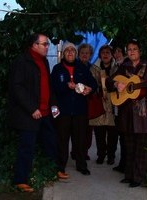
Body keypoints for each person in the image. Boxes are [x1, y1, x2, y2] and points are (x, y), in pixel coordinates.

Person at [8, 33, 62, 193]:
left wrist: (53, 105)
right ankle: (20, 180)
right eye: (44, 44)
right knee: (27, 147)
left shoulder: (44, 61)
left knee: (51, 142)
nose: (47, 47)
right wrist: (32, 108)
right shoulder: (22, 62)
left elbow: (47, 86)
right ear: (34, 45)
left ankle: (54, 171)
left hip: (45, 112)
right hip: (29, 114)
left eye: (47, 44)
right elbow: (17, 88)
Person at [105, 39, 147, 187]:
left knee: (141, 148)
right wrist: (117, 84)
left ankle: (138, 178)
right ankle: (128, 175)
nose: (131, 51)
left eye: (134, 49)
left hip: (143, 114)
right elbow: (109, 81)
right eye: (129, 49)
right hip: (127, 113)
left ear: (140, 51)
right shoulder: (124, 66)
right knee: (128, 145)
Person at [51, 42, 97, 176]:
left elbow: (93, 83)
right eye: (67, 50)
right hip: (63, 111)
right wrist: (66, 86)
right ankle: (60, 166)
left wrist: (90, 89)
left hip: (79, 111)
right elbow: (53, 89)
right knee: (62, 140)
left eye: (72, 50)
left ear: (76, 53)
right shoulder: (57, 69)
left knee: (80, 140)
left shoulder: (82, 68)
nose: (70, 52)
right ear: (63, 53)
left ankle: (81, 165)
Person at [90, 44, 118, 165]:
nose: (105, 55)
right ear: (100, 55)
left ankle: (111, 155)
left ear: (111, 55)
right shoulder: (94, 68)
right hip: (99, 103)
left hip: (113, 103)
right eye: (103, 53)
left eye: (108, 53)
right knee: (99, 132)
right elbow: (91, 83)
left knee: (113, 132)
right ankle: (101, 154)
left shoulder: (117, 68)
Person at [70, 43, 94, 161]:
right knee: (76, 130)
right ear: (78, 54)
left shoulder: (93, 68)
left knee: (88, 130)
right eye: (82, 52)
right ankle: (76, 151)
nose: (84, 55)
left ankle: (84, 151)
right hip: (77, 103)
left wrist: (91, 89)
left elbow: (95, 84)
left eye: (87, 53)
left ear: (91, 55)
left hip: (91, 103)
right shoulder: (75, 66)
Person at [111, 45, 127, 173]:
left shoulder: (126, 65)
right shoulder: (115, 66)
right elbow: (110, 82)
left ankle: (125, 164)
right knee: (121, 136)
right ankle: (122, 163)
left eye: (119, 50)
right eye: (115, 51)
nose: (117, 53)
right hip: (117, 105)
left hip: (126, 107)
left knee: (126, 137)